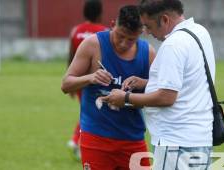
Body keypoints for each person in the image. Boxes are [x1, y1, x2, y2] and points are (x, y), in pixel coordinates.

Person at [103, 0, 215, 169]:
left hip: (176, 143)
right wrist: (149, 83)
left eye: (148, 26)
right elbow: (188, 82)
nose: (147, 32)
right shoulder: (199, 32)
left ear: (164, 20)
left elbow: (166, 97)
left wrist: (125, 97)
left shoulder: (173, 44)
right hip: (200, 138)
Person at [61, 5, 155, 170]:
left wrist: (144, 83)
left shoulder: (148, 53)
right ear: (113, 24)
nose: (124, 43)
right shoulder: (92, 45)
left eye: (131, 39)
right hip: (96, 139)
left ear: (140, 34)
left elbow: (161, 94)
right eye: (120, 35)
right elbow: (66, 84)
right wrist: (91, 77)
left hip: (133, 140)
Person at [66, 0, 108, 161]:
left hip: (77, 79)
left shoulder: (76, 31)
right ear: (100, 13)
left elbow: (70, 57)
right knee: (92, 113)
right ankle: (77, 141)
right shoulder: (104, 32)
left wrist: (69, 78)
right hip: (94, 80)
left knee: (88, 111)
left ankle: (78, 142)